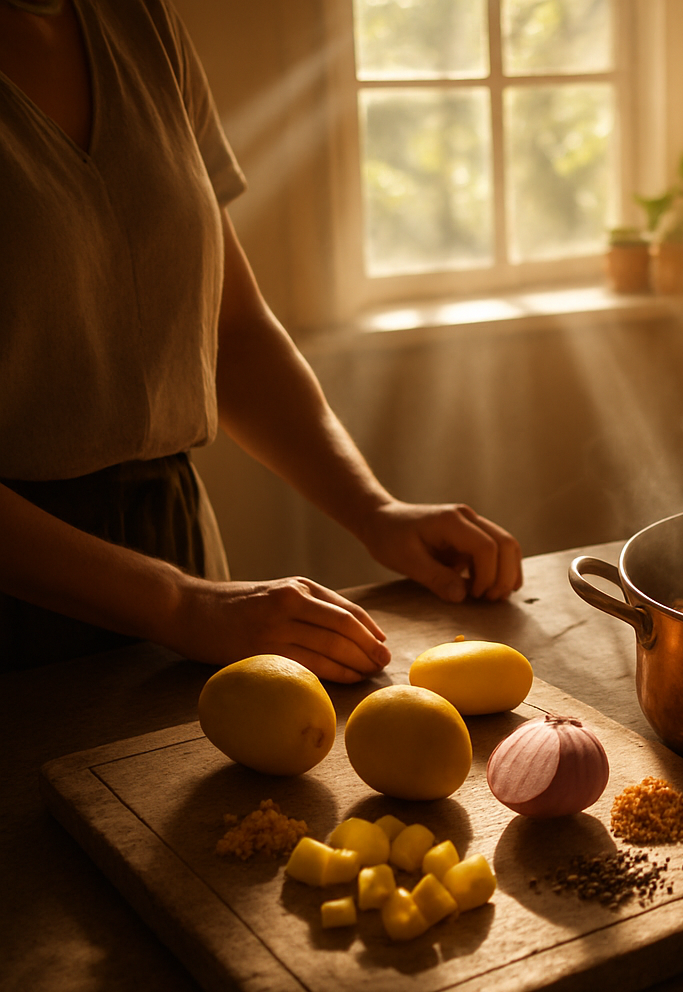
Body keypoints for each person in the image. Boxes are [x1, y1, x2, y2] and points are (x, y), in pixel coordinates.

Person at [0, 0, 521, 682]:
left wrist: (375, 511)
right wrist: (180, 606)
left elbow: (233, 334)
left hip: (176, 548)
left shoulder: (140, 23)